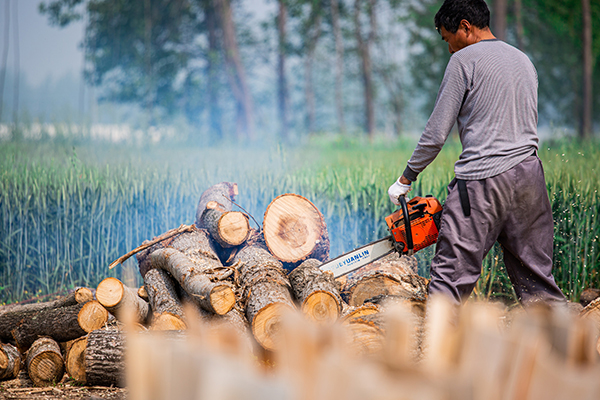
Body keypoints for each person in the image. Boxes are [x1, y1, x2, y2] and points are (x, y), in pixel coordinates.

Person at [387, 0, 565, 305]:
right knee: (537, 282)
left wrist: (406, 178)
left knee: (449, 280)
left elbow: (435, 134)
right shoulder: (523, 60)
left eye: (448, 38)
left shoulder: (464, 60)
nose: (449, 49)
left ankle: (435, 352)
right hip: (529, 177)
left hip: (482, 182)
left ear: (465, 27)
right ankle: (569, 350)